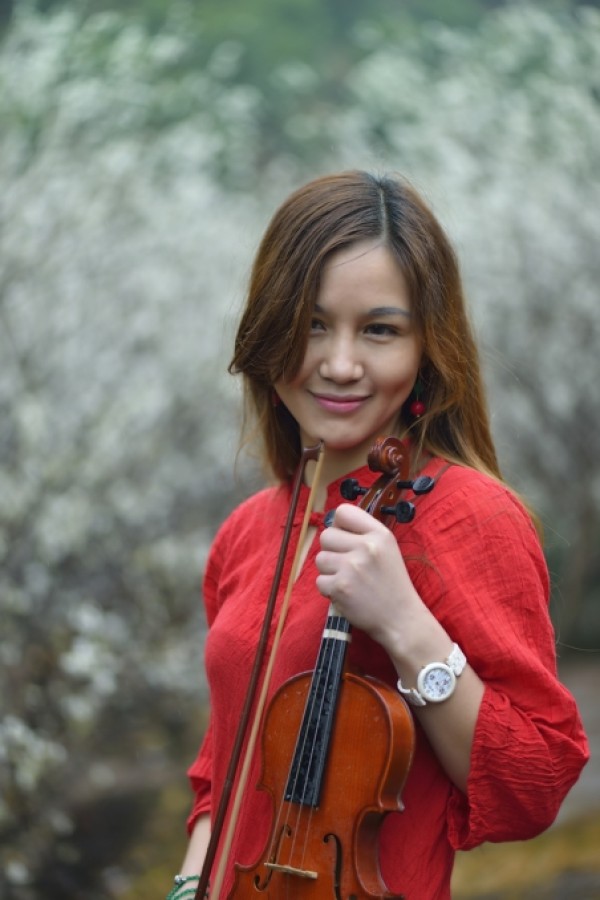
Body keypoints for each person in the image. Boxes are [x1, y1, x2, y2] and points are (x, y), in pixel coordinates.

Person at [170, 171, 589, 900]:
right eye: (311, 324)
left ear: (428, 347)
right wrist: (185, 885)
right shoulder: (249, 530)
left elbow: (534, 784)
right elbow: (226, 767)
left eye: (380, 330)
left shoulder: (471, 516)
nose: (339, 365)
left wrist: (404, 623)